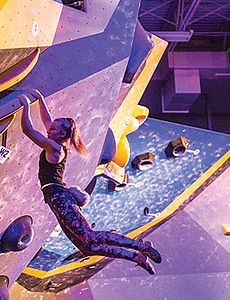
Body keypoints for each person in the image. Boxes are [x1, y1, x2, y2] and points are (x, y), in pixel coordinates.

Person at [18, 90, 162, 274]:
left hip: (59, 198)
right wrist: (40, 100)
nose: (49, 129)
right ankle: (136, 256)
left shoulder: (55, 148)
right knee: (87, 247)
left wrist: (25, 107)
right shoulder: (58, 141)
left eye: (53, 129)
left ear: (62, 132)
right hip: (55, 199)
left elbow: (28, 130)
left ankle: (141, 246)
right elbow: (48, 121)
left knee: (90, 236)